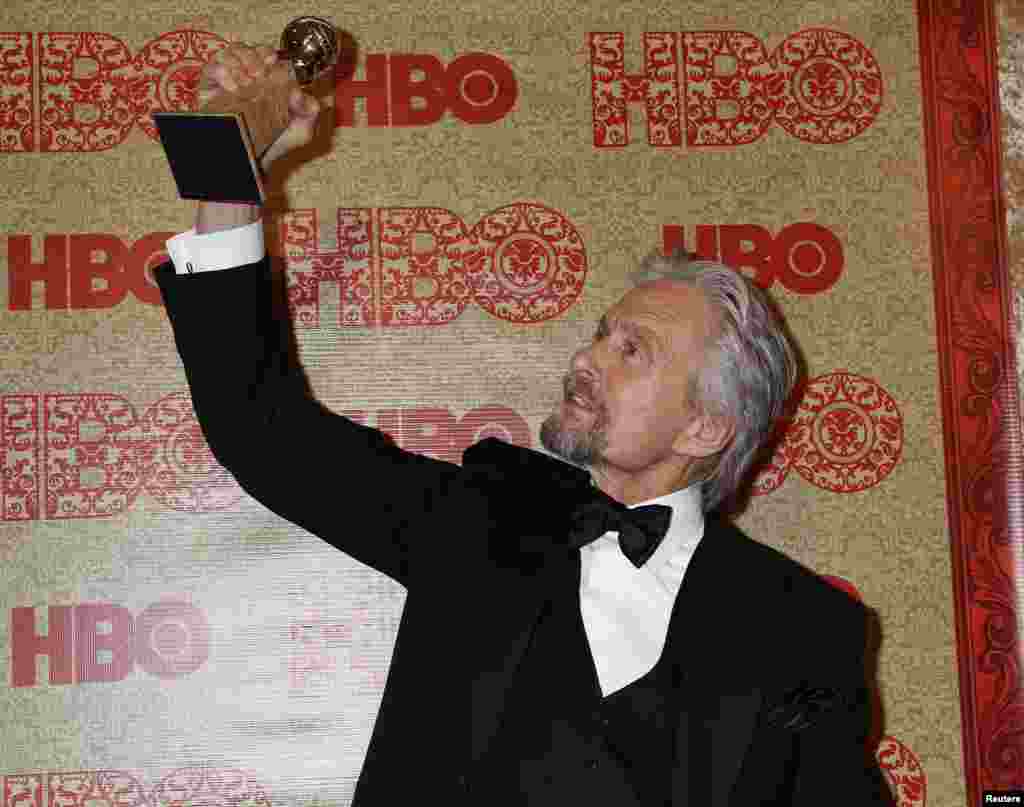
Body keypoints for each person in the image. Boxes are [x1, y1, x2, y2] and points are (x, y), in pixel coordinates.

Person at [155, 44, 893, 806]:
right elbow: (265, 431)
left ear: (705, 425)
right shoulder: (482, 513)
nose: (587, 356)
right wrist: (228, 166)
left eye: (631, 351)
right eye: (601, 333)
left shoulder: (804, 630)